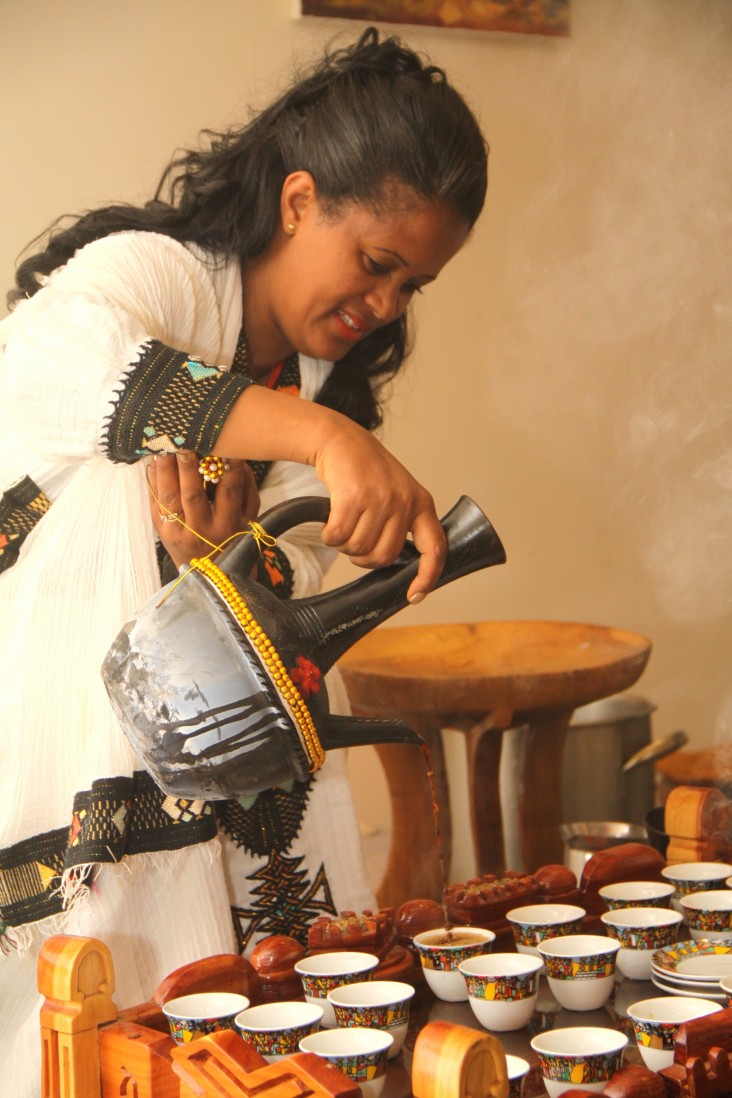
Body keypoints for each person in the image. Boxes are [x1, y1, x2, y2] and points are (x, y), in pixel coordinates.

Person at [0, 25, 488, 1092]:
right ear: (300, 200)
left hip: (212, 784)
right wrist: (324, 442)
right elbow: (43, 364)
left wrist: (229, 563)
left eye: (414, 286)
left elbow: (295, 588)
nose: (387, 308)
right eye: (378, 265)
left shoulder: (310, 382)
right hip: (47, 733)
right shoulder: (156, 276)